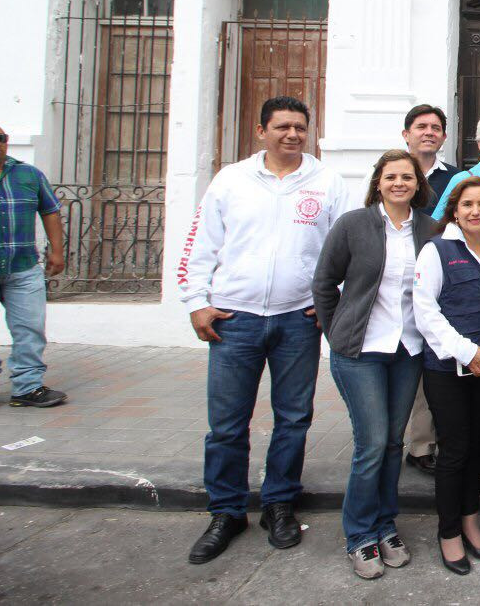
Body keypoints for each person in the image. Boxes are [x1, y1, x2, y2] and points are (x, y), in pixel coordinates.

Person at [180, 96, 348, 565]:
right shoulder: (231, 180)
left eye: (300, 127)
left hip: (298, 319)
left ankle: (279, 503)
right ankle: (227, 510)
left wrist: (329, 302)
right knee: (227, 424)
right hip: (234, 319)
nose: (292, 135)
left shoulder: (328, 182)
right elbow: (201, 244)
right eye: (282, 127)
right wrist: (196, 303)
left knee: (293, 419)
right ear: (261, 131)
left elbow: (344, 249)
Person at [312, 150, 436, 579]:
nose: (399, 183)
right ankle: (360, 535)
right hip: (360, 351)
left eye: (407, 177)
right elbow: (324, 283)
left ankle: (385, 525)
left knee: (393, 444)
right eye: (391, 177)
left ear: (418, 184)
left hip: (407, 350)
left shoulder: (429, 229)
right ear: (378, 183)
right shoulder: (354, 224)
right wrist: (337, 332)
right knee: (372, 444)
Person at [413, 176, 480, 575]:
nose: (475, 211)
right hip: (449, 368)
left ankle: (470, 521)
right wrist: (465, 351)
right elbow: (425, 310)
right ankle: (449, 532)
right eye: (467, 204)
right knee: (454, 451)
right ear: (454, 210)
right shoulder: (437, 250)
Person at [388, 104, 457, 478]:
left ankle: (422, 444)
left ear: (444, 136)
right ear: (407, 134)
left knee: (430, 363)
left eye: (435, 128)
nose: (429, 132)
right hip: (394, 285)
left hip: (439, 278)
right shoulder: (391, 173)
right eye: (421, 127)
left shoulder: (455, 177)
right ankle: (389, 443)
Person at [0, 124, 67, 407]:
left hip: (22, 268)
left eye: (0, 138)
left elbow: (50, 211)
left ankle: (27, 387)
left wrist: (57, 251)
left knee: (30, 329)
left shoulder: (28, 174)